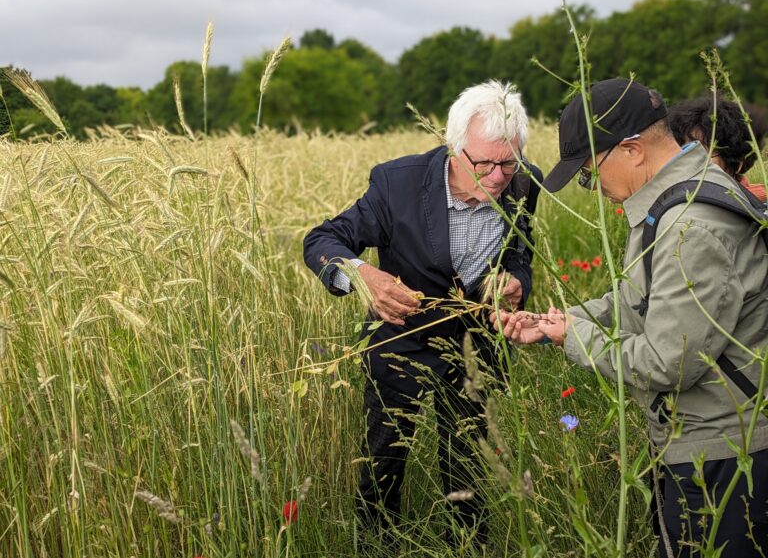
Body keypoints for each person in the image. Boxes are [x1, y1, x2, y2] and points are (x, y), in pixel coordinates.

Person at [493, 78, 768, 557]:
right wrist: (559, 322)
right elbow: (638, 300)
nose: (591, 187)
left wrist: (573, 340)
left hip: (725, 453)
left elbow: (669, 362)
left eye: (587, 171)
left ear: (632, 150)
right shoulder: (672, 200)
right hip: (699, 440)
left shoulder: (690, 227)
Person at [303, 80, 543, 547]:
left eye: (508, 163)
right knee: (385, 460)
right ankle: (376, 543)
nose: (497, 177)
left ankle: (466, 544)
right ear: (454, 148)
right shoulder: (398, 184)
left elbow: (521, 255)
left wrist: (515, 282)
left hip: (477, 349)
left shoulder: (524, 183)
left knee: (468, 462)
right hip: (401, 343)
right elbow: (321, 240)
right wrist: (362, 276)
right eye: (485, 163)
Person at [668, 95, 767, 201]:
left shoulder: (757, 210)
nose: (690, 160)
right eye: (685, 150)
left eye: (703, 153)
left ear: (737, 163)